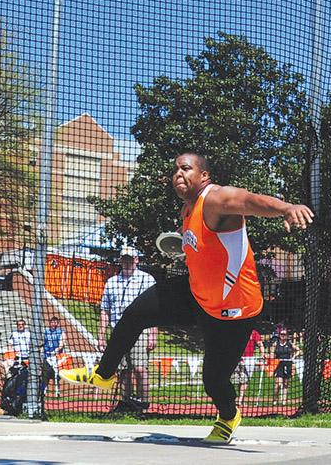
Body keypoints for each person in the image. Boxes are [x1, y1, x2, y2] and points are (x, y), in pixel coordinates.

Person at [61, 152, 313, 444]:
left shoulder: (216, 198)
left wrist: (285, 208)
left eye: (185, 168)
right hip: (196, 294)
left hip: (233, 310)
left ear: (204, 176)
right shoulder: (187, 210)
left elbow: (248, 200)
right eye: (175, 170)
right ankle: (104, 373)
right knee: (135, 313)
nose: (178, 173)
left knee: (213, 381)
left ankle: (229, 416)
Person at [98, 247, 157, 410]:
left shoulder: (147, 280)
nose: (127, 262)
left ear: (137, 260)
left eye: (131, 259)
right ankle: (127, 403)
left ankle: (144, 405)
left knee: (139, 368)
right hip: (118, 330)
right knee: (123, 371)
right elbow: (105, 310)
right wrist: (101, 336)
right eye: (124, 259)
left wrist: (153, 335)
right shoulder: (111, 282)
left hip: (139, 328)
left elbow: (154, 310)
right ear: (120, 261)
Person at [232, 328, 265, 407]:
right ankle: (236, 399)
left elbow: (260, 344)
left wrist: (263, 353)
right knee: (237, 380)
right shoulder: (237, 331)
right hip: (237, 359)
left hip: (248, 360)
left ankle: (240, 400)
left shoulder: (254, 333)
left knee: (244, 380)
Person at [270, 326, 301, 406]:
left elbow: (299, 350)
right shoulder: (275, 344)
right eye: (281, 334)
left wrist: (294, 357)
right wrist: (270, 357)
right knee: (279, 383)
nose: (283, 336)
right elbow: (272, 354)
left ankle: (284, 401)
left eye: (284, 334)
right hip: (279, 365)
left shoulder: (289, 344)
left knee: (286, 383)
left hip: (287, 364)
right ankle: (275, 399)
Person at [41, 316, 67, 397]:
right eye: (52, 322)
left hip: (57, 357)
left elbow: (62, 344)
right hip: (47, 356)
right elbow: (43, 343)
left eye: (55, 322)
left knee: (57, 376)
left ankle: (57, 392)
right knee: (45, 375)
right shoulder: (46, 332)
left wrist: (56, 350)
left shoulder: (61, 332)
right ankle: (43, 391)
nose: (54, 323)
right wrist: (41, 354)